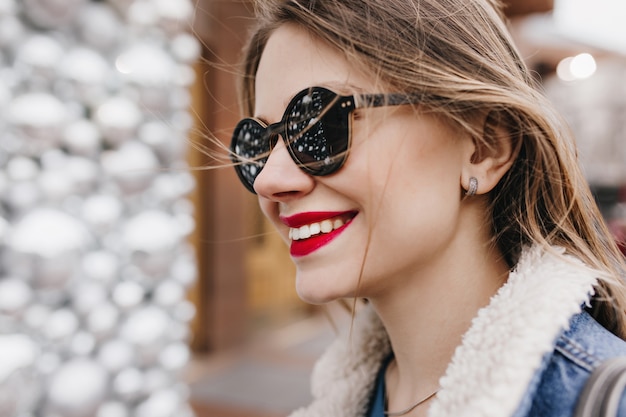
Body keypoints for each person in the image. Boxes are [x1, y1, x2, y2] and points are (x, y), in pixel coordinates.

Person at [227, 0, 626, 416]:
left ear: (484, 147)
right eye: (257, 145)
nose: (269, 180)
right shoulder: (353, 397)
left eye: (319, 123)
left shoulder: (603, 402)